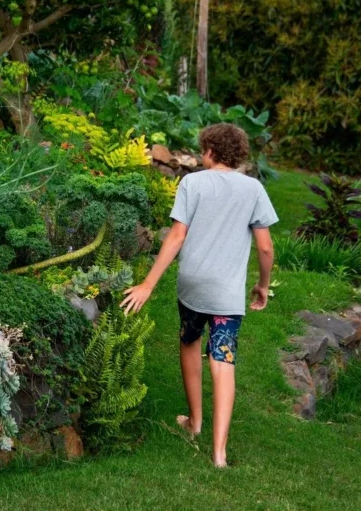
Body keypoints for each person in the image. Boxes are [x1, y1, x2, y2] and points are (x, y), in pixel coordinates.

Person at [121, 123, 277, 468]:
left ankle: (195, 422)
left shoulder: (192, 183)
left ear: (209, 151)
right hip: (226, 294)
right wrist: (263, 285)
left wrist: (148, 284)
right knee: (222, 361)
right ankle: (219, 454)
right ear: (238, 154)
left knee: (190, 341)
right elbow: (265, 248)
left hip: (192, 286)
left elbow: (176, 237)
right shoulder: (253, 189)